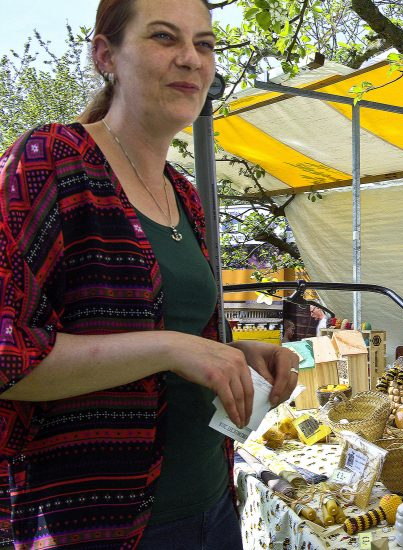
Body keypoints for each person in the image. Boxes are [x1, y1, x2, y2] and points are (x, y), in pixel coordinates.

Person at [0, 0, 300, 547]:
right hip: (97, 522)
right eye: (165, 38)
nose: (191, 59)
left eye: (204, 44)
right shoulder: (49, 162)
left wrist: (236, 355)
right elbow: (6, 355)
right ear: (105, 56)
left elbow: (182, 339)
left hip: (212, 502)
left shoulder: (183, 194)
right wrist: (168, 348)